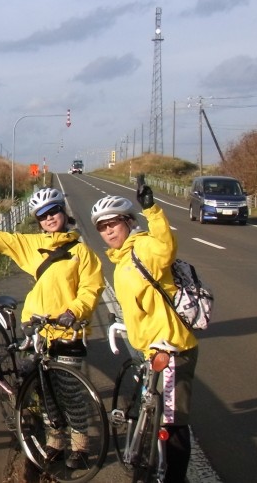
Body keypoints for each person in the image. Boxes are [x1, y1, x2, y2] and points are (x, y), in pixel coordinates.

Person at [0, 186, 104, 471]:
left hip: (68, 330)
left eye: (53, 212)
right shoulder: (31, 244)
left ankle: (81, 447)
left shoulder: (82, 252)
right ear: (38, 220)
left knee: (71, 392)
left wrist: (74, 311)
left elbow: (91, 287)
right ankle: (55, 442)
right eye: (43, 215)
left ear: (63, 212)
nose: (49, 218)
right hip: (38, 328)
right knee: (46, 391)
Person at [91, 181, 198, 483]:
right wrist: (123, 324)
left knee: (174, 422)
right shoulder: (121, 259)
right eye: (102, 227)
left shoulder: (144, 247)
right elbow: (140, 305)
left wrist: (152, 209)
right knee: (151, 412)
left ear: (128, 222)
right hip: (151, 350)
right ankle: (149, 466)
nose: (109, 231)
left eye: (114, 223)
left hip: (172, 348)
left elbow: (166, 247)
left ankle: (176, 478)